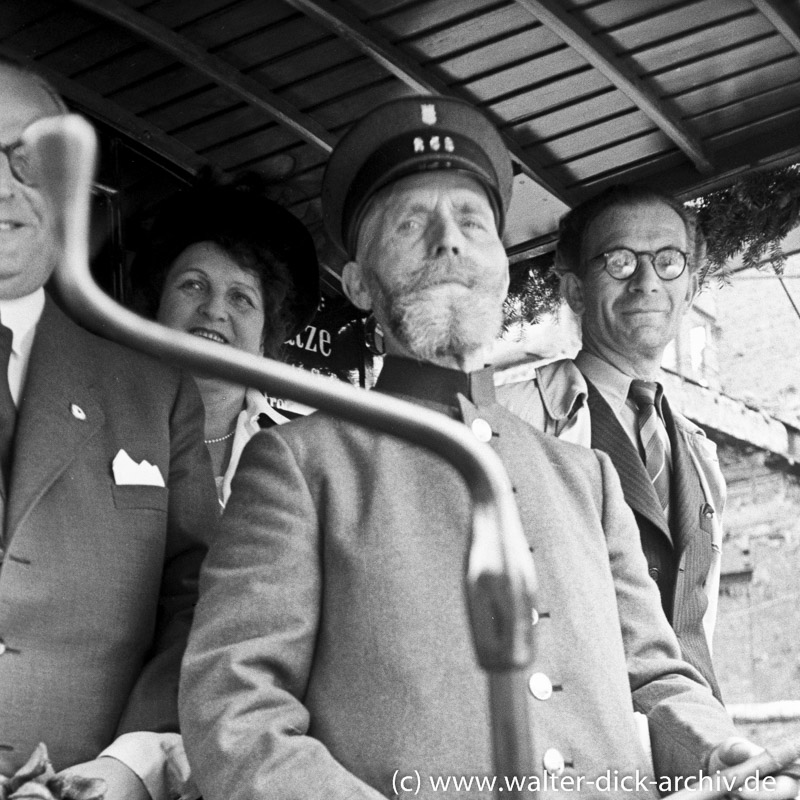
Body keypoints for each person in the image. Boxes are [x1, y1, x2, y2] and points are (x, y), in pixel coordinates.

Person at [178, 96, 794, 800]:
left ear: (501, 268)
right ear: (357, 283)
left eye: (472, 222)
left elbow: (656, 675)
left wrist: (728, 755)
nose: (450, 242)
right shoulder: (300, 465)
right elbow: (234, 709)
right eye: (413, 223)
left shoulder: (585, 476)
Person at [0, 57, 217, 800]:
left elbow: (198, 595)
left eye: (26, 159)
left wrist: (129, 767)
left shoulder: (153, 391)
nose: (2, 187)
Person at [496, 185, 725, 699]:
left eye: (669, 261)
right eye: (619, 261)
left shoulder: (703, 458)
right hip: (567, 750)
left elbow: (695, 621)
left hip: (686, 748)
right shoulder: (508, 420)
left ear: (688, 290)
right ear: (575, 291)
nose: (646, 281)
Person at [129, 176, 320, 507]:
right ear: (158, 306)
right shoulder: (101, 415)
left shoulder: (304, 454)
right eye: (193, 285)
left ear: (264, 338)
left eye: (240, 298)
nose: (214, 309)